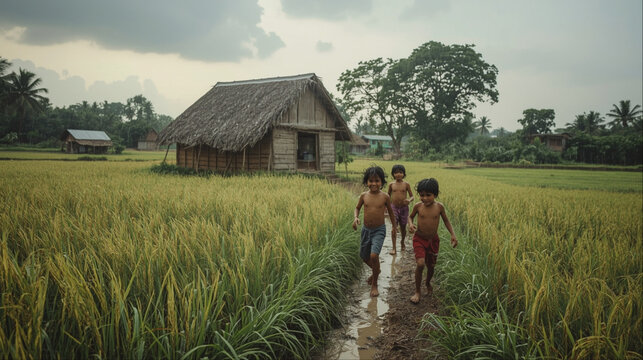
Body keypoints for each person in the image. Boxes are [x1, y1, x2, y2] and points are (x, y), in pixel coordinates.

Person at [407, 178, 457, 304]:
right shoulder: (418, 206)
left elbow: (446, 221)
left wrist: (453, 234)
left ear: (435, 194)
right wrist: (410, 224)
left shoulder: (439, 207)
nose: (424, 198)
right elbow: (410, 217)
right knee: (420, 264)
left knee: (431, 266)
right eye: (422, 195)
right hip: (419, 239)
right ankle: (417, 291)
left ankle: (428, 282)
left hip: (433, 241)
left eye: (428, 195)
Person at [353, 166, 397, 297]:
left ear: (382, 182)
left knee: (373, 256)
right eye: (371, 181)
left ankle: (374, 285)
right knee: (364, 256)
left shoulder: (385, 197)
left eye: (377, 180)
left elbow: (391, 212)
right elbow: (357, 208)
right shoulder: (363, 196)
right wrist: (355, 218)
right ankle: (376, 270)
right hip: (366, 230)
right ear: (366, 182)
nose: (373, 183)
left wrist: (394, 227)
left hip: (379, 230)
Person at [387, 164, 414, 255]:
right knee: (393, 227)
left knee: (403, 228)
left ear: (403, 174)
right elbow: (387, 196)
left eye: (400, 172)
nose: (398, 174)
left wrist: (409, 200)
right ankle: (394, 247)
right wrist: (386, 207)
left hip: (404, 208)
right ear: (393, 174)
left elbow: (412, 196)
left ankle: (402, 241)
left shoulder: (406, 184)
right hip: (394, 208)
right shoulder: (391, 185)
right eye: (396, 172)